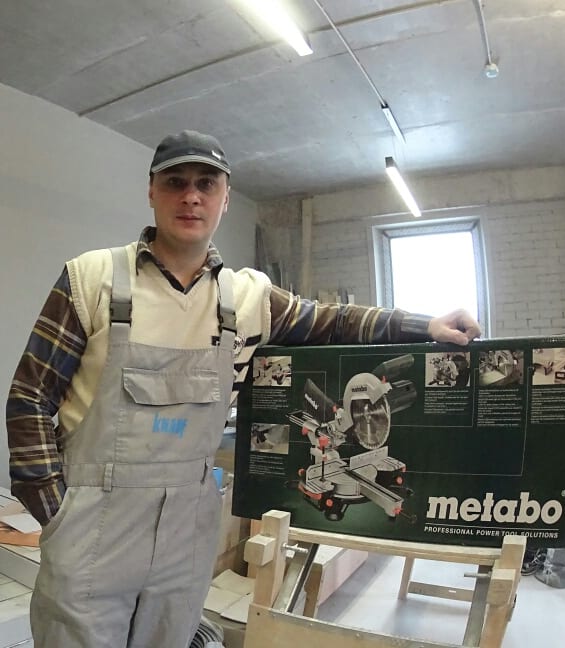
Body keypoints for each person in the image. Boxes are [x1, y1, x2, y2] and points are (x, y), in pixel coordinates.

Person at [6, 130, 481, 648]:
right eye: (176, 182)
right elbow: (30, 397)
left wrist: (424, 324)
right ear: (151, 191)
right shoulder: (91, 278)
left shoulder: (250, 298)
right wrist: (57, 513)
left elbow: (334, 320)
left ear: (225, 198)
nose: (191, 196)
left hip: (186, 529)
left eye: (206, 184)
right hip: (91, 524)